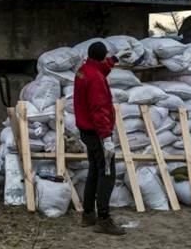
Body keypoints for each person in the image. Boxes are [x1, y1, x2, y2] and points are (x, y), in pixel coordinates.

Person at [74, 42, 124, 236]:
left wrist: (114, 61)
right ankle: (104, 219)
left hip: (85, 130)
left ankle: (88, 214)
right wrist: (107, 137)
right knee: (108, 172)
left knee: (95, 169)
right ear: (102, 56)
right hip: (96, 131)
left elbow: (99, 69)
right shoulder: (96, 79)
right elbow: (99, 109)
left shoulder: (84, 70)